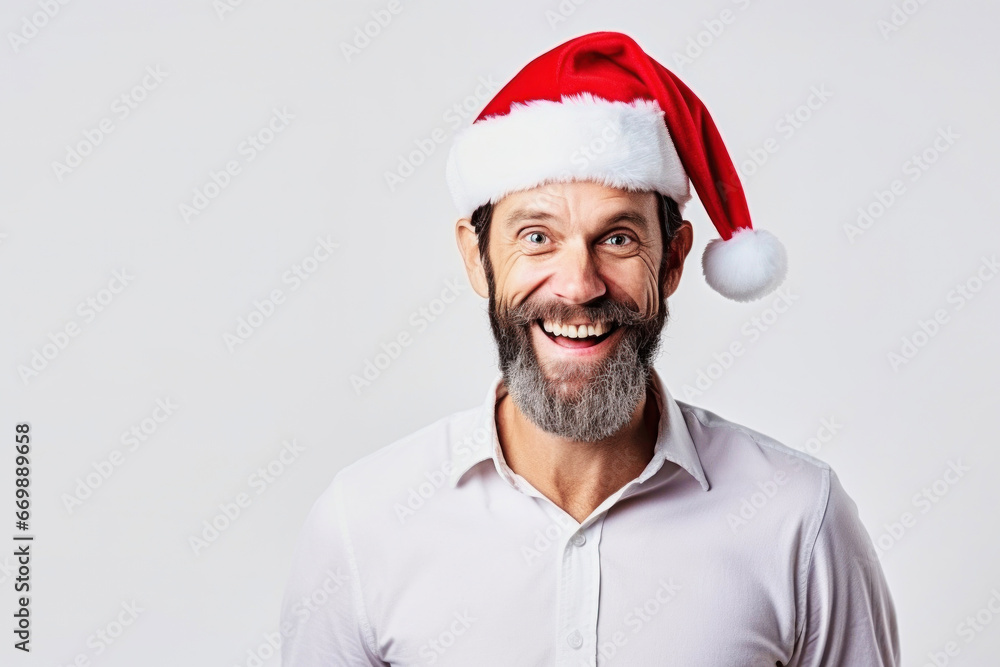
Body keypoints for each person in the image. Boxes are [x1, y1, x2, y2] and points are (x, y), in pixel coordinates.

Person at [280, 31, 899, 666]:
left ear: (674, 258)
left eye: (620, 239)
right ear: (475, 256)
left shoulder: (799, 519)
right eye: (537, 236)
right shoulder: (364, 525)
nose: (579, 285)